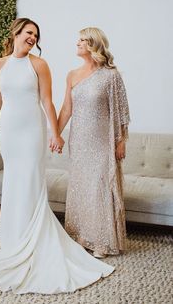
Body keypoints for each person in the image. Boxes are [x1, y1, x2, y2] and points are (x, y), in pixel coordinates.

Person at [0, 18, 114, 294]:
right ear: (15, 33)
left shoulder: (39, 65)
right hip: (9, 131)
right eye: (28, 32)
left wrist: (55, 133)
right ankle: (13, 240)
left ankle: (34, 240)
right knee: (14, 182)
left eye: (36, 35)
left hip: (31, 132)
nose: (33, 38)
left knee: (30, 182)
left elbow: (47, 101)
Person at [58, 27, 130, 258]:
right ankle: (83, 236)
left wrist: (121, 141)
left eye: (82, 40)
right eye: (77, 39)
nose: (77, 43)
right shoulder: (71, 75)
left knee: (99, 188)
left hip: (102, 142)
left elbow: (120, 111)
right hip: (79, 141)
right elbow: (67, 109)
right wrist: (55, 134)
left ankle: (102, 241)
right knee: (82, 188)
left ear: (93, 44)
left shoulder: (111, 75)